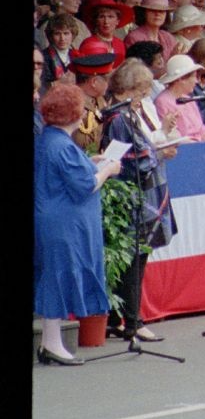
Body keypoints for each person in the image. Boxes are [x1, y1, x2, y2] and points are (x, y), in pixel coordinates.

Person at [34, 83, 123, 365]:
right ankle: (51, 343)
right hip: (63, 224)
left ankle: (52, 342)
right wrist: (108, 168)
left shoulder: (50, 140)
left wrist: (91, 161)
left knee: (54, 277)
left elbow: (69, 173)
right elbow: (85, 186)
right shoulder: (61, 145)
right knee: (58, 279)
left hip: (55, 220)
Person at [99, 59, 178, 342]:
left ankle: (125, 317)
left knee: (138, 258)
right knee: (133, 259)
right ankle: (132, 320)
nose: (144, 97)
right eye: (143, 91)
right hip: (133, 197)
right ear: (131, 88)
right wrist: (160, 153)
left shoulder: (126, 115)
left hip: (143, 195)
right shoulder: (119, 118)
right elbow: (135, 159)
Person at [154, 54, 205, 142]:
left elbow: (201, 130)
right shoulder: (162, 102)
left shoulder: (189, 99)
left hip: (201, 146)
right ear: (181, 79)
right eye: (194, 77)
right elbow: (172, 136)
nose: (196, 81)